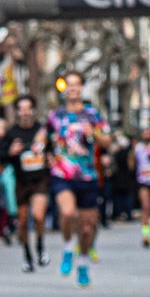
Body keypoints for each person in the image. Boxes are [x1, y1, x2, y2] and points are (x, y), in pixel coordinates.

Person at [47, 72, 111, 286]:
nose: (72, 89)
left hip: (87, 175)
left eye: (76, 85)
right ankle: (67, 249)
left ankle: (82, 262)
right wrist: (46, 154)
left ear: (82, 88)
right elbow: (44, 138)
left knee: (87, 227)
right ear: (64, 89)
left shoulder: (92, 114)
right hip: (62, 173)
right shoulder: (55, 115)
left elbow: (107, 141)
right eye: (69, 85)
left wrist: (94, 133)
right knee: (67, 212)